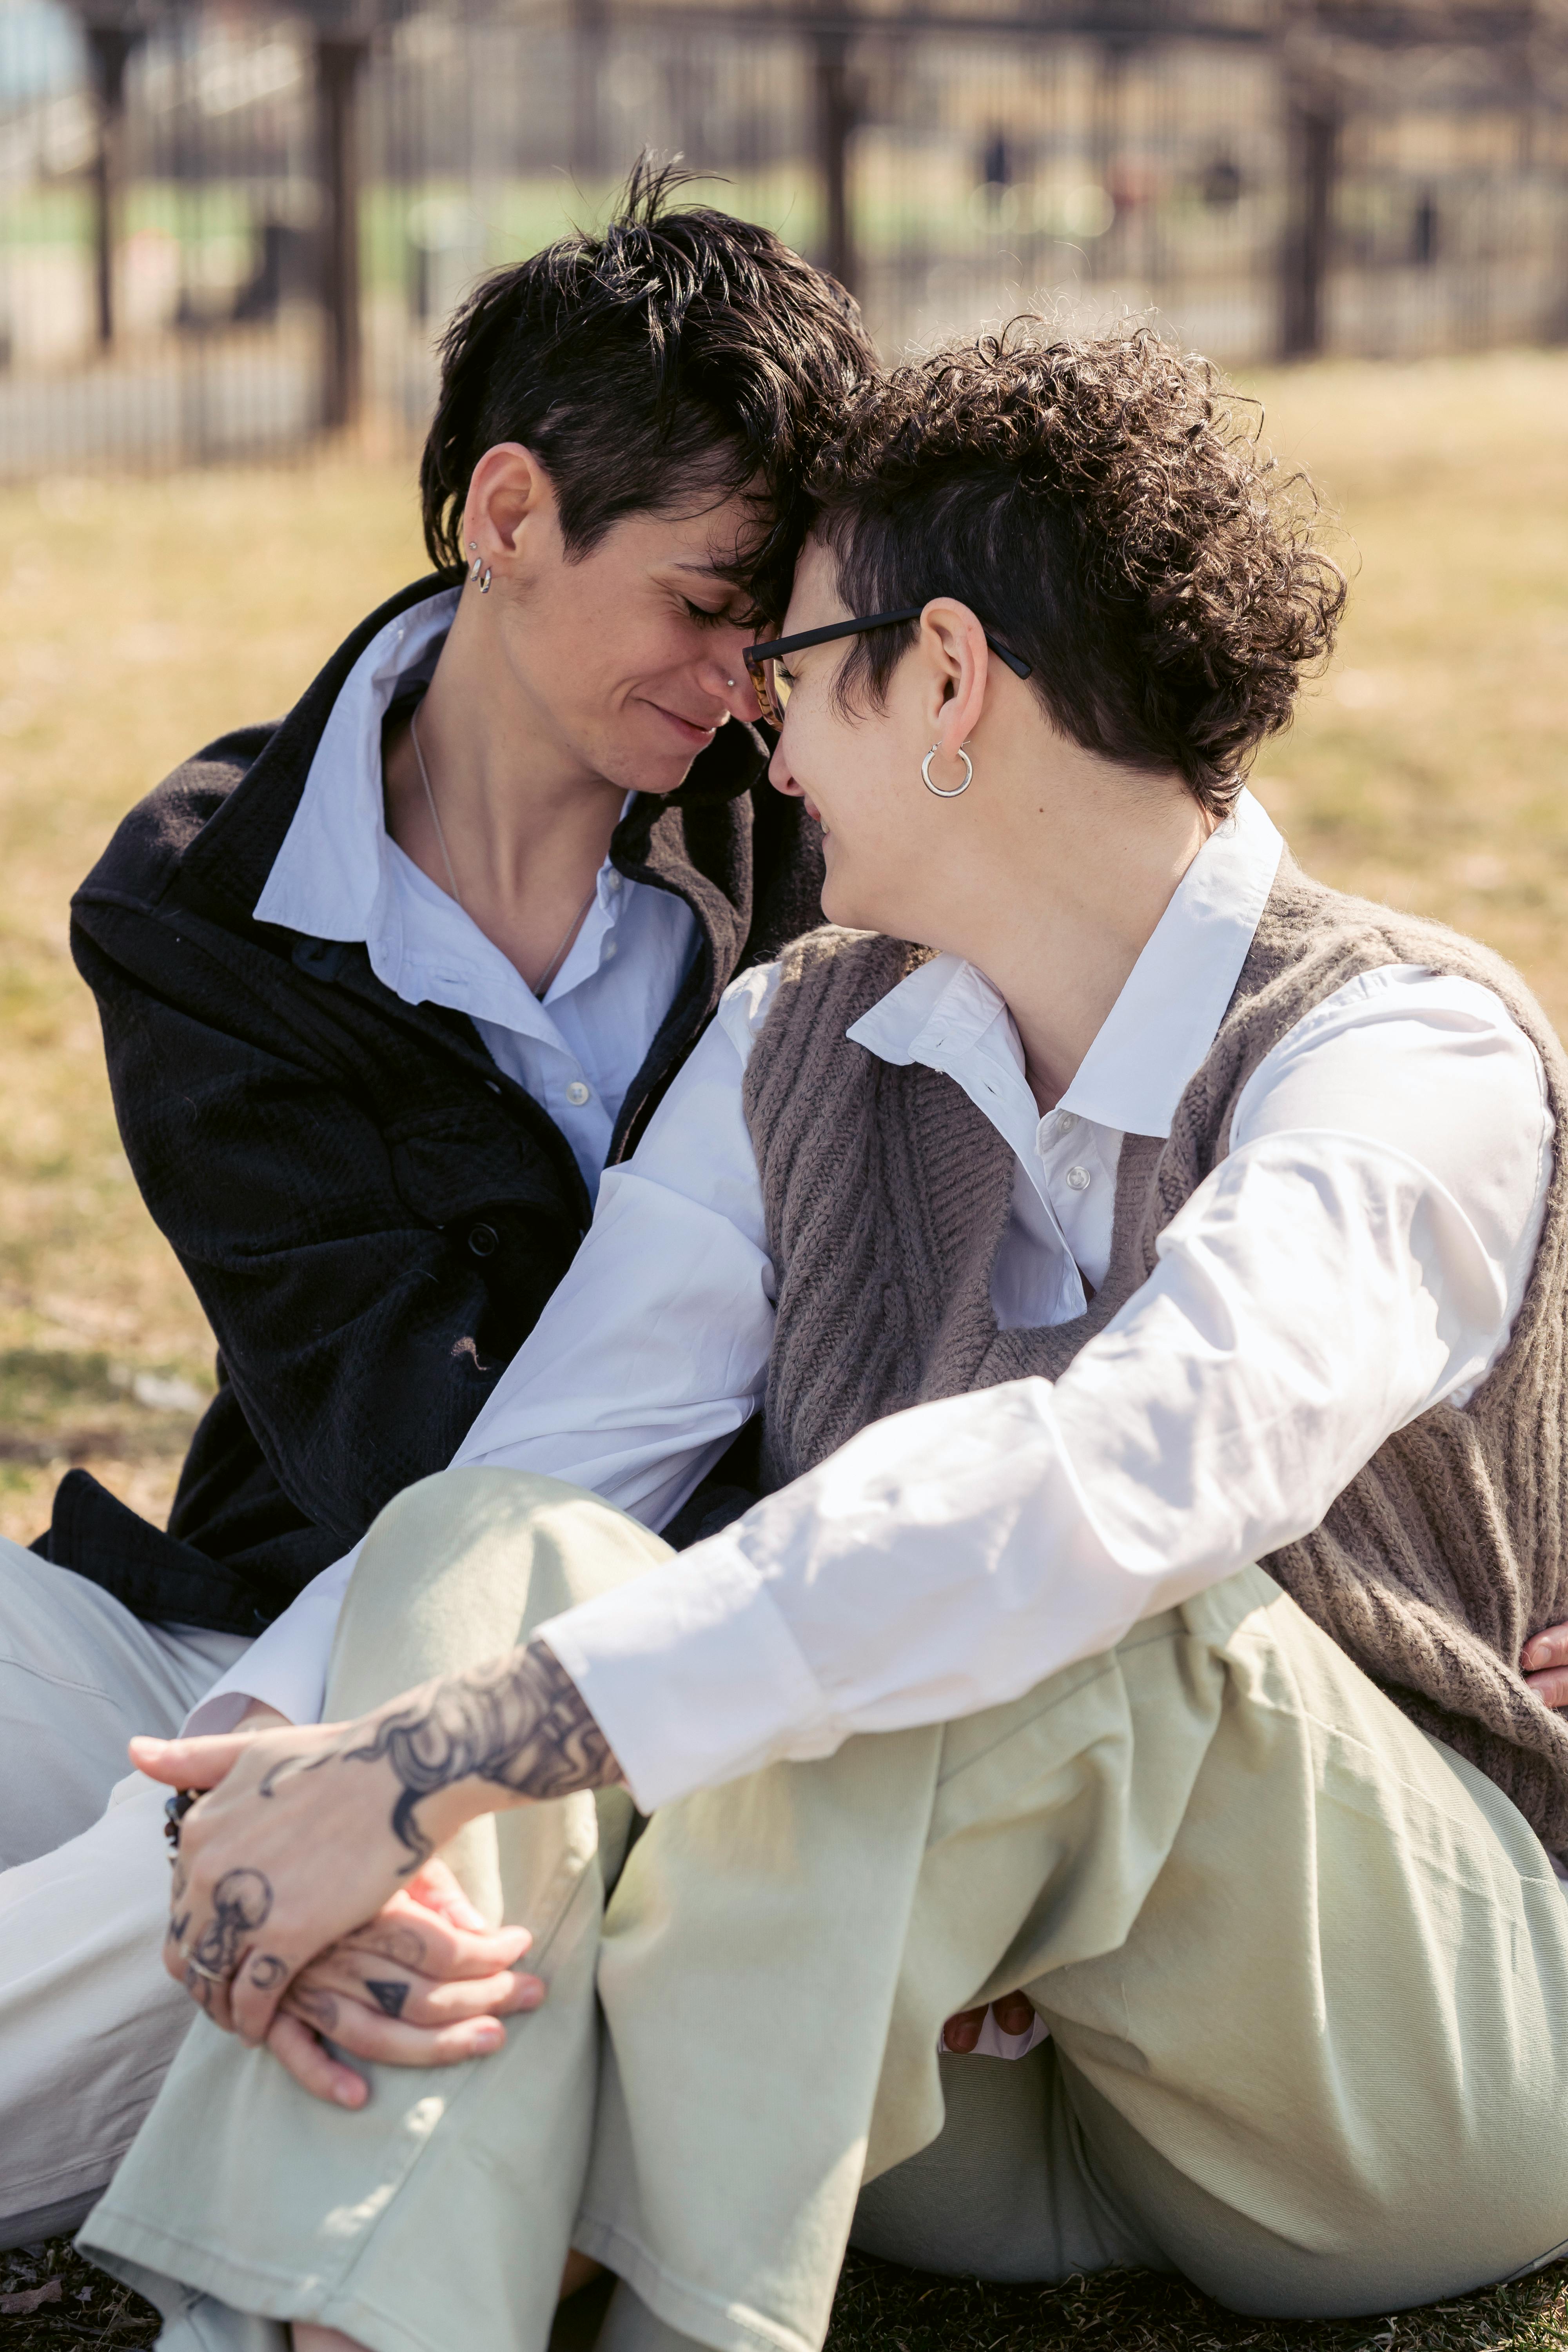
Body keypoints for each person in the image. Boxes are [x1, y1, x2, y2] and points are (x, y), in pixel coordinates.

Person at [84, 321, 1568, 2352]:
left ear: (946, 675)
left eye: (790, 674)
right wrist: (272, 1781)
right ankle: (345, 2324)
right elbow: (544, 1472)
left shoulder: (1404, 1049)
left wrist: (475, 1749)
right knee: (479, 1542)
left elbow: (1126, 1480)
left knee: (1094, 1607)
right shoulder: (798, 1037)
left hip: (1384, 2080)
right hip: (948, 2081)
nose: (754, 750)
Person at [0, 165, 873, 2248]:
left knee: (226, 1856)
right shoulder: (211, 905)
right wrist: (341, 1755)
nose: (752, 678)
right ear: (507, 519)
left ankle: (272, 1943)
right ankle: (302, 1940)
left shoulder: (832, 843)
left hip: (702, 1700)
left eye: (789, 624)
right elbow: (389, 1445)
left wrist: (409, 1777)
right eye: (706, 600)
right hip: (290, 1621)